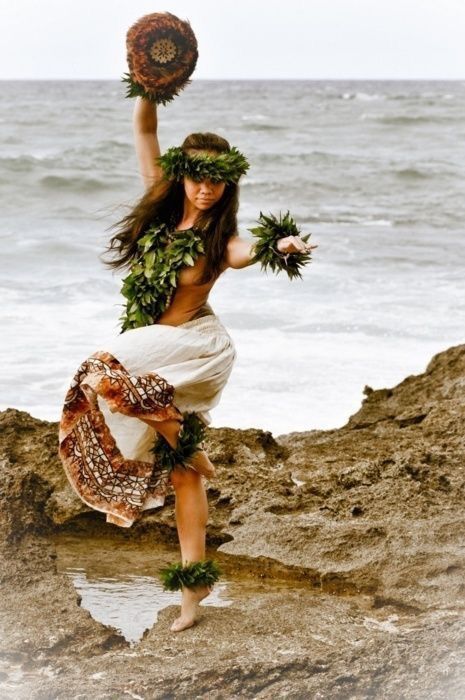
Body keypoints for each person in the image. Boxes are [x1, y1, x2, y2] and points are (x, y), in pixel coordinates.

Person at [58, 96, 316, 633]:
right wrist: (150, 88)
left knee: (99, 372)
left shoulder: (220, 242)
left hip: (196, 349)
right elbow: (146, 126)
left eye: (215, 182)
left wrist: (283, 245)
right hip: (153, 344)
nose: (205, 189)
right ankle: (194, 569)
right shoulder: (158, 199)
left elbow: (251, 250)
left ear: (227, 186)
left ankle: (187, 462)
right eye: (196, 177)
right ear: (180, 177)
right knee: (173, 466)